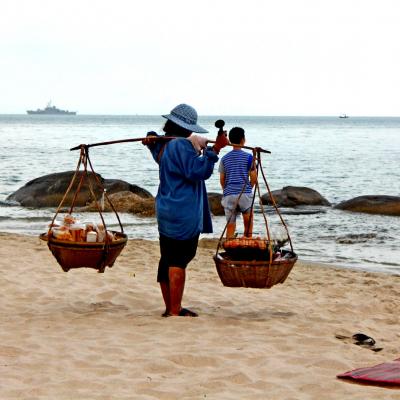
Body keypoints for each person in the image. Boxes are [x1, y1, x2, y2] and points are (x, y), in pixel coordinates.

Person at [143, 103, 228, 317]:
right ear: (186, 128)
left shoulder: (163, 146)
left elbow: (155, 148)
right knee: (179, 259)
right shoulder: (180, 145)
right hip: (183, 211)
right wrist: (215, 150)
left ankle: (169, 307)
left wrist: (152, 136)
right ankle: (175, 309)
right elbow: (197, 171)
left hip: (165, 209)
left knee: (167, 259)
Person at [218, 127, 257, 238]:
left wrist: (227, 190)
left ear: (230, 141)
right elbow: (253, 178)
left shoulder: (224, 159)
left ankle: (230, 248)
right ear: (243, 140)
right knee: (248, 224)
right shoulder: (249, 157)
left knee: (230, 226)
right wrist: (249, 187)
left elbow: (222, 180)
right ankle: (247, 245)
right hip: (245, 193)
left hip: (229, 194)